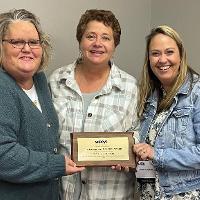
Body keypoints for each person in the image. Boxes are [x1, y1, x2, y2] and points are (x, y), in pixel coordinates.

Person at [50, 9, 138, 200]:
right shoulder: (56, 80)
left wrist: (130, 155)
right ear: (80, 41)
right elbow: (46, 135)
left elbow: (138, 132)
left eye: (106, 38)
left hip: (112, 193)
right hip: (63, 193)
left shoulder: (130, 87)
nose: (97, 43)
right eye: (90, 36)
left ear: (114, 45)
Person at [0, 9, 84, 200]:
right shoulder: (2, 86)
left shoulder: (39, 81)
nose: (27, 49)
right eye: (17, 42)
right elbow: (3, 155)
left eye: (33, 42)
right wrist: (55, 165)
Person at [133, 25, 200, 200]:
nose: (162, 60)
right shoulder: (149, 96)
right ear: (148, 59)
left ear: (181, 55)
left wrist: (157, 154)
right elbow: (145, 147)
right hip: (148, 194)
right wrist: (128, 158)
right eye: (155, 53)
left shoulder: (197, 92)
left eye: (169, 52)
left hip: (183, 195)